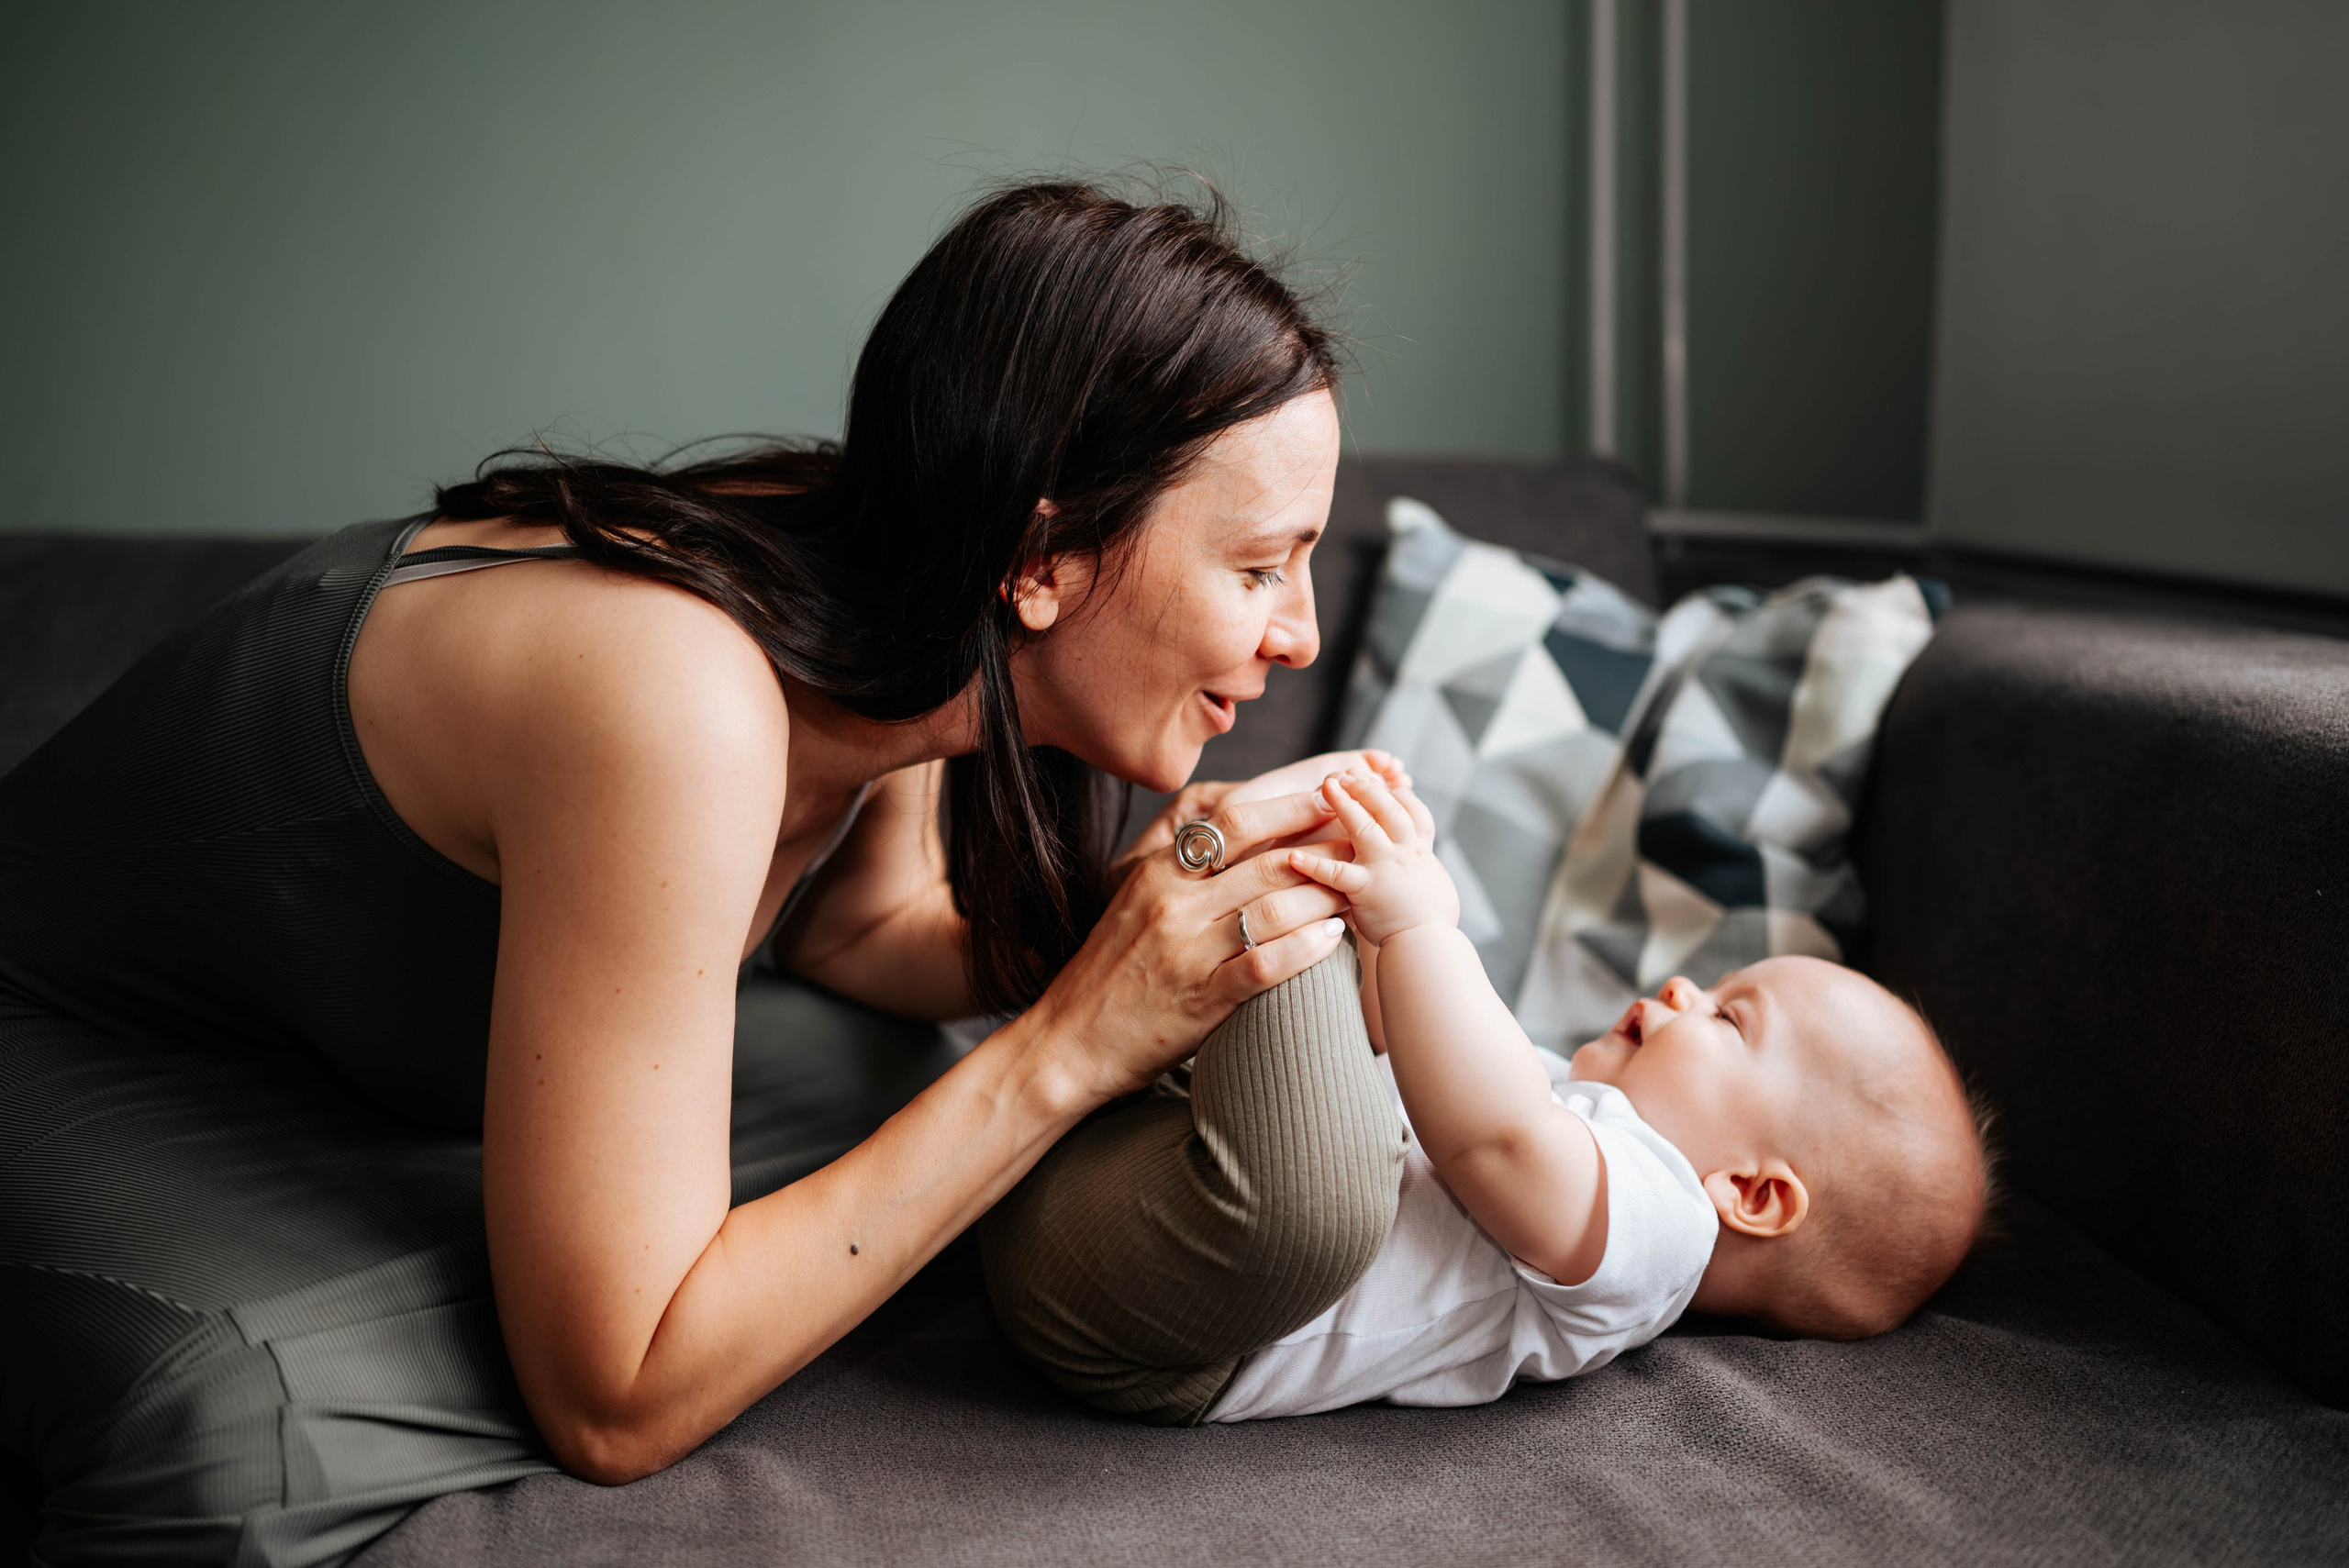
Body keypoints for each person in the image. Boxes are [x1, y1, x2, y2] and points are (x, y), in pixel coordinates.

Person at [0, 180, 1414, 1566]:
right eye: (1261, 565)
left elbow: (860, 934)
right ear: (1041, 554)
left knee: (896, 1087)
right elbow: (609, 1409)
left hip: (368, 1049)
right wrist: (1065, 1048)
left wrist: (1145, 936)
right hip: (89, 1050)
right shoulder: (676, 694)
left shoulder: (896, 588)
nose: (1297, 633)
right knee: (241, 1437)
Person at [984, 766, 1994, 1422]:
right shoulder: (1566, 1096)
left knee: (1297, 944)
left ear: (1753, 1194)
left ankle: (1205, 881)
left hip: (1173, 1314)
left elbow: (1494, 1140)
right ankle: (1151, 918)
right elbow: (1396, 1045)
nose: (1686, 988)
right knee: (1329, 935)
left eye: (1729, 1018)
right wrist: (1384, 917)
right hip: (1136, 1184)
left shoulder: (1658, 1230)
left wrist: (1419, 923)